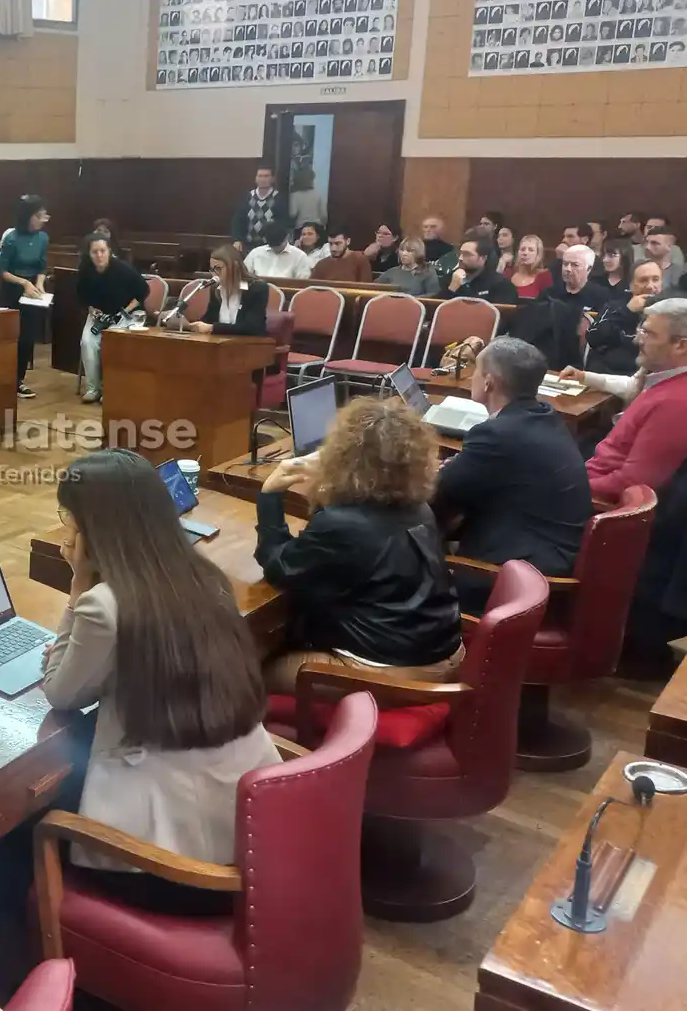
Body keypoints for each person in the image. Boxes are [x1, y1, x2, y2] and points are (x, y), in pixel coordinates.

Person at [43, 450, 279, 914]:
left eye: (68, 519)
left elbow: (62, 693)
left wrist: (77, 585)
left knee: (31, 823)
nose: (65, 532)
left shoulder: (104, 606)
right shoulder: (205, 578)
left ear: (94, 531)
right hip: (249, 835)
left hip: (168, 863)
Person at [255, 398, 463, 694]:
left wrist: (270, 494)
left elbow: (278, 566)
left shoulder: (343, 524)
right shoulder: (419, 507)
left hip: (395, 674)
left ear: (343, 455)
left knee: (247, 673)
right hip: (446, 654)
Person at [432, 338, 591, 614]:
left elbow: (439, 495)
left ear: (488, 382)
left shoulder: (496, 434)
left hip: (519, 578)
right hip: (550, 555)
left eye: (476, 370)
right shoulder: (545, 416)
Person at [561, 298, 687, 501]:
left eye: (649, 334)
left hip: (591, 502)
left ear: (680, 345)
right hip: (590, 473)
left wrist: (564, 488)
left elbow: (630, 483)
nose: (637, 340)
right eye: (642, 330)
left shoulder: (678, 403)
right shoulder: (661, 376)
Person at [76, 232, 149, 404]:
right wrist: (91, 309)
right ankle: (93, 388)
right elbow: (81, 295)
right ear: (89, 254)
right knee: (88, 342)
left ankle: (111, 388)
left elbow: (143, 291)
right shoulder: (85, 270)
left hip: (126, 315)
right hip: (100, 315)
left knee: (114, 343)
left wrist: (124, 312)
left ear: (109, 251)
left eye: (103, 251)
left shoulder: (123, 269)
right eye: (95, 252)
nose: (99, 255)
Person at [0, 196, 50, 399]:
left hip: (32, 293)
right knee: (10, 337)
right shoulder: (12, 238)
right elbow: (1, 271)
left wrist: (39, 284)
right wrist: (24, 283)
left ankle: (19, 380)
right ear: (28, 216)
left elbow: (42, 266)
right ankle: (3, 377)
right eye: (38, 216)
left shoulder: (43, 238)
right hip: (12, 289)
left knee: (27, 338)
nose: (42, 220)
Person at [586, 260, 664, 375]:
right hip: (609, 376)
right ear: (631, 285)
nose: (650, 286)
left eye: (655, 279)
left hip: (651, 379)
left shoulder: (670, 311)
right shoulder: (615, 306)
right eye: (643, 280)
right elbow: (593, 337)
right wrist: (627, 312)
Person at [179, 244, 269, 337]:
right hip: (221, 344)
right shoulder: (216, 289)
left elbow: (252, 327)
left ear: (235, 266)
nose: (214, 274)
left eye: (218, 268)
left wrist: (212, 328)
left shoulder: (257, 288)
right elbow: (209, 319)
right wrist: (191, 325)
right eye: (212, 269)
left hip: (250, 345)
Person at [440, 234, 517, 303]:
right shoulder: (450, 278)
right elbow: (434, 308)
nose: (460, 258)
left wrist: (465, 286)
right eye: (461, 253)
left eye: (467, 254)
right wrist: (452, 288)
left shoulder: (500, 284)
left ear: (483, 258)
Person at [230, 165, 289, 251]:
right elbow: (238, 220)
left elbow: (282, 223)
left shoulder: (279, 198)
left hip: (270, 246)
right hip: (248, 245)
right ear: (256, 179)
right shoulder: (248, 197)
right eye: (260, 176)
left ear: (272, 179)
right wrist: (237, 239)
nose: (263, 179)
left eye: (266, 176)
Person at [243, 220, 312, 279]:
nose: (276, 249)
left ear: (287, 237)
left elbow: (303, 283)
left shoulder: (299, 256)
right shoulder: (255, 253)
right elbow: (243, 275)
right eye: (272, 246)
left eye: (278, 245)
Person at [508, 234, 554, 299]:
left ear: (538, 254)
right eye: (522, 249)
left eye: (531, 250)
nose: (525, 253)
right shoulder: (508, 273)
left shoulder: (544, 276)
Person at [643, 216, 685, 283]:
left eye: (654, 243)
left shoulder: (679, 274)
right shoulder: (638, 269)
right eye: (647, 242)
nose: (647, 247)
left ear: (670, 247)